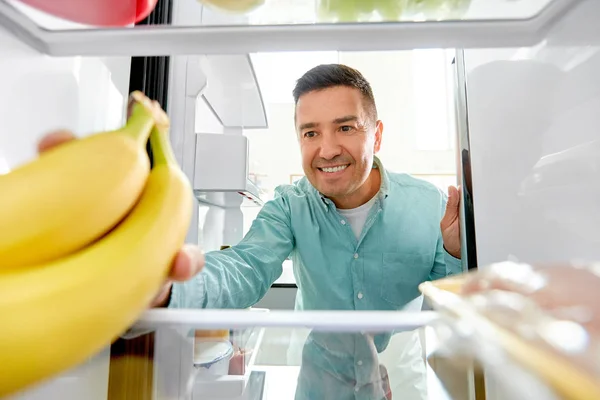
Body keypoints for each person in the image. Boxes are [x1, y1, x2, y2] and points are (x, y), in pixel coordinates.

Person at [38, 64, 462, 399]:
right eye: (310, 132)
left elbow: (453, 305)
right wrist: (165, 288)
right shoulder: (289, 205)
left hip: (402, 382)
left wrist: (462, 255)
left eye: (345, 128)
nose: (327, 149)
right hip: (320, 383)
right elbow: (244, 266)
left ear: (377, 134)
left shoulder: (429, 205)